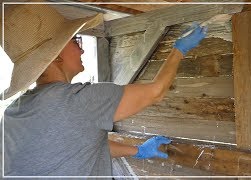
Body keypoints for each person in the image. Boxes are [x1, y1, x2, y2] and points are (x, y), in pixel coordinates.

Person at [2, 3, 206, 177]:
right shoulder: (80, 100)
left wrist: (138, 151)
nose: (81, 49)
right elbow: (156, 92)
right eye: (75, 40)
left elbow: (82, 146)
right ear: (55, 56)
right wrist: (179, 49)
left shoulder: (13, 113)